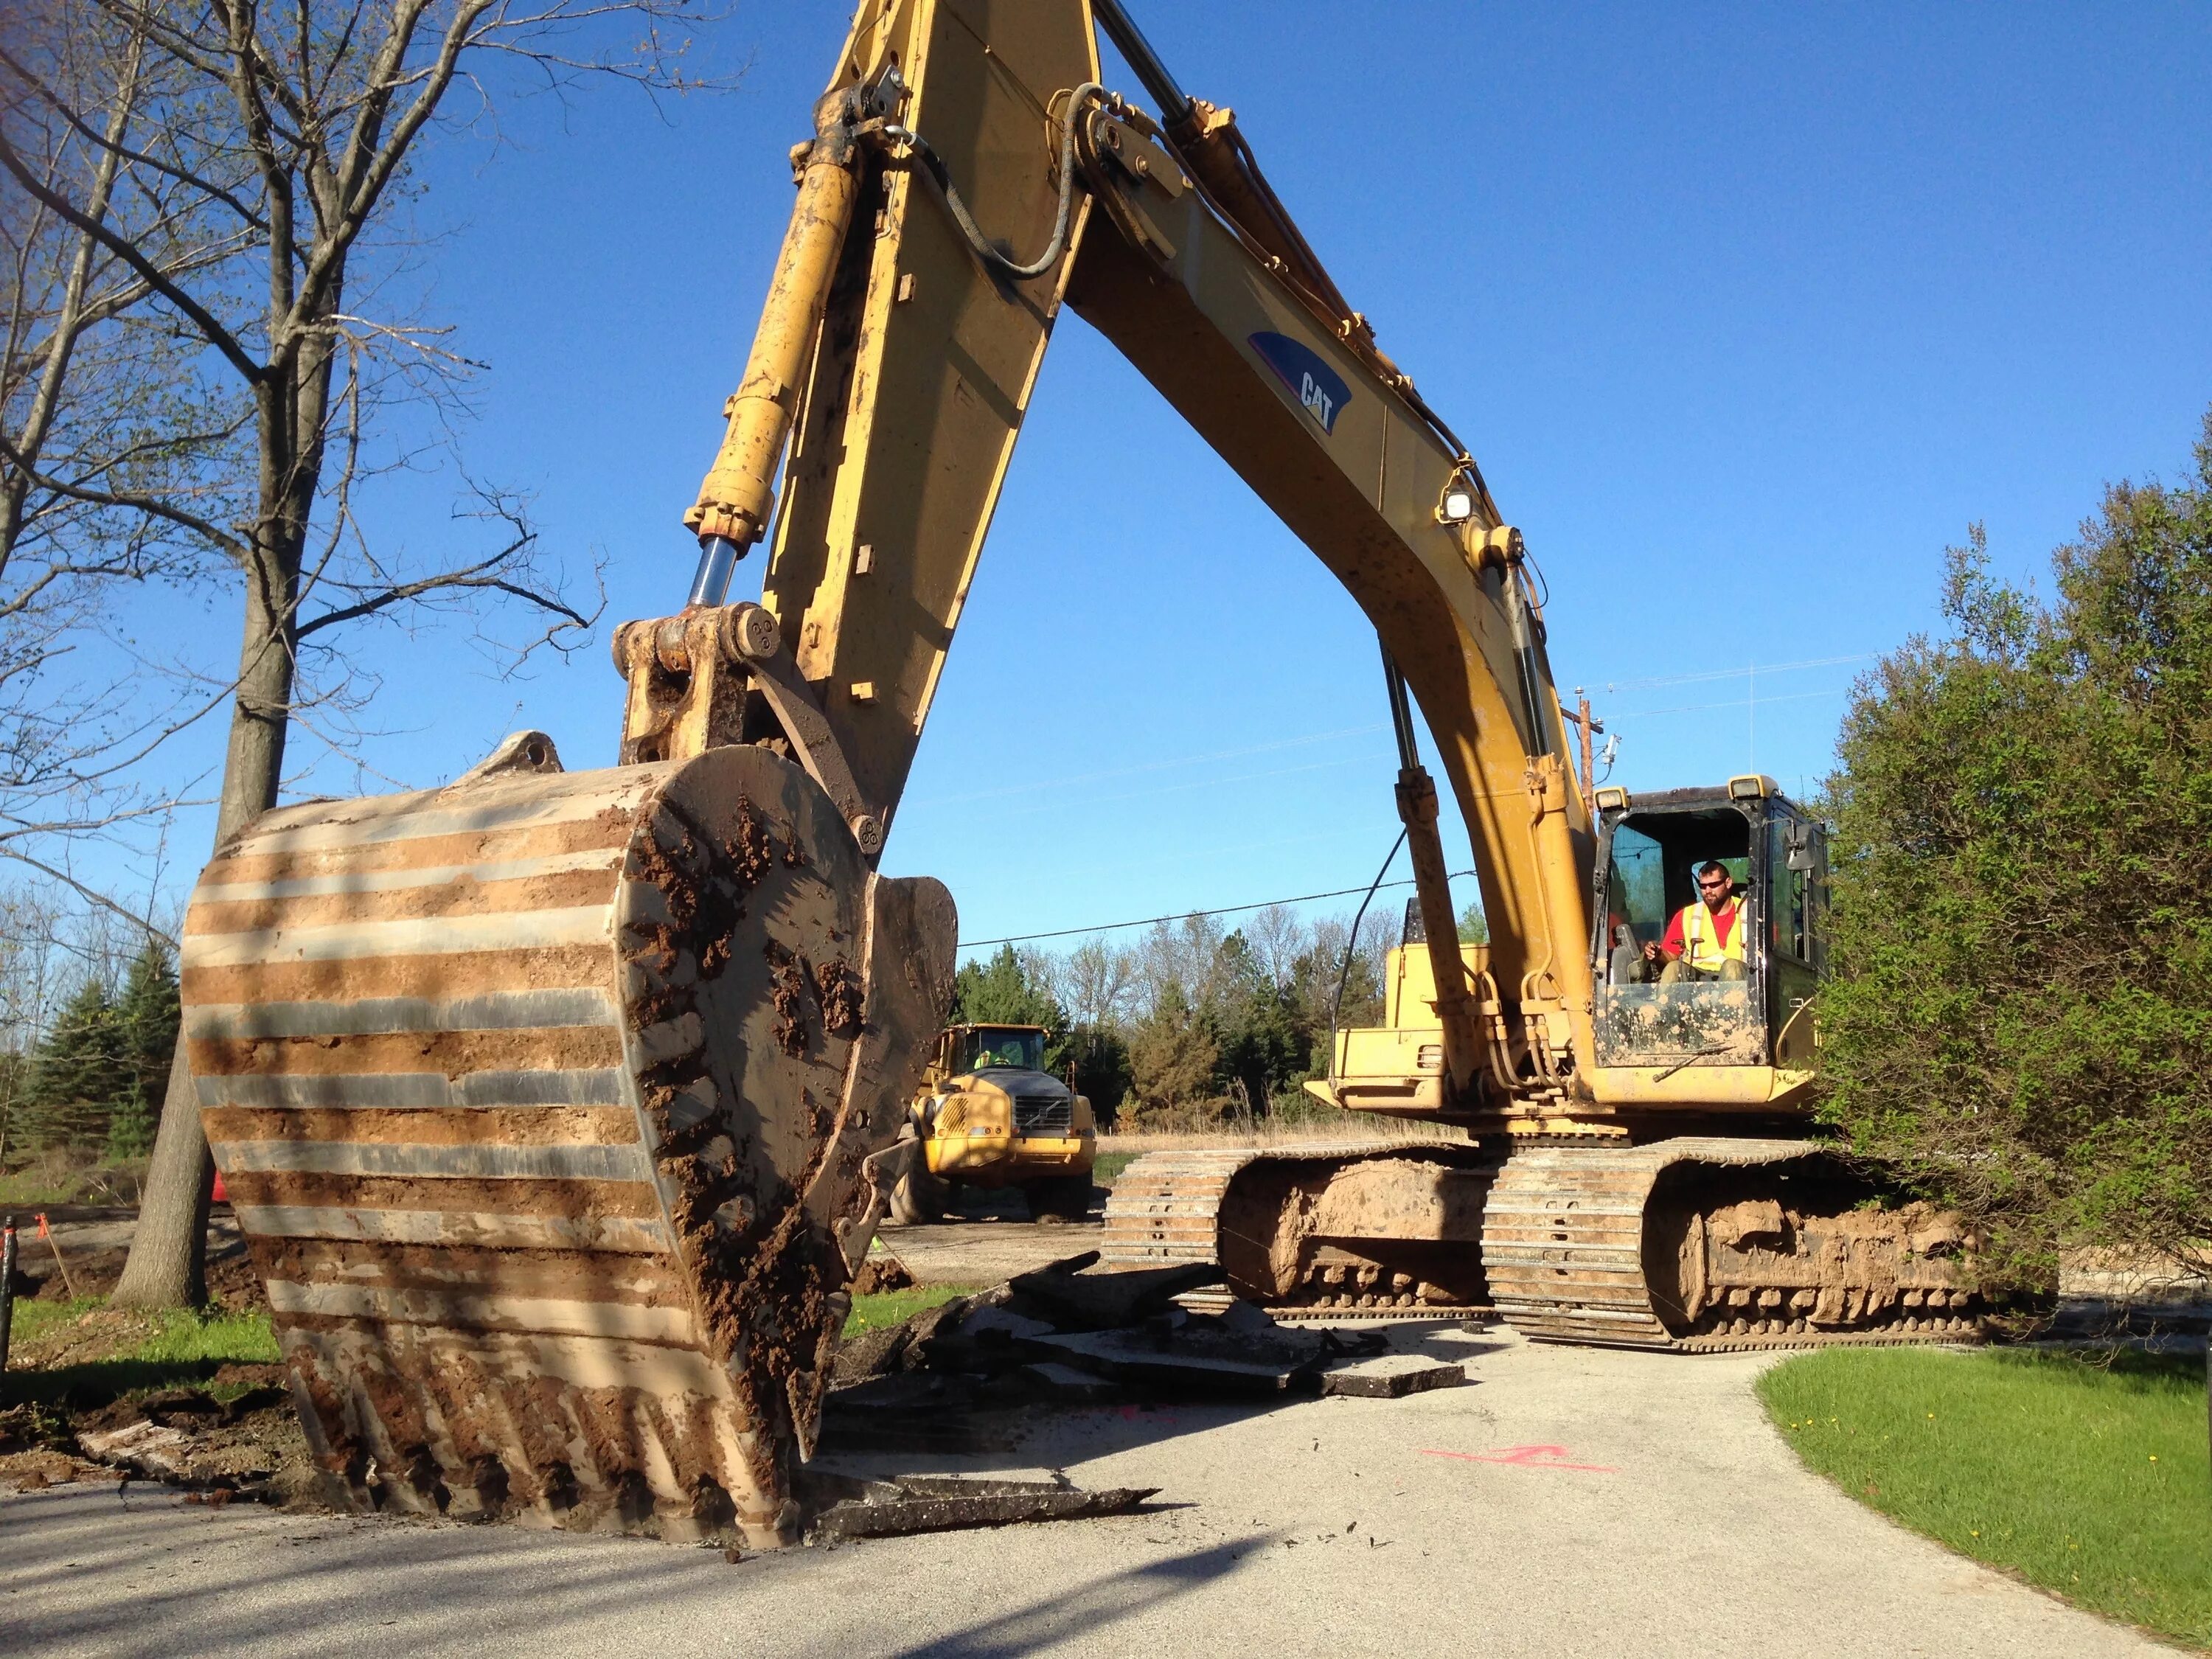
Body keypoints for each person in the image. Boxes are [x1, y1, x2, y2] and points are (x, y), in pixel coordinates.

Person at [1644, 859, 1750, 984]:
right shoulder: (1686, 915)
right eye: (1703, 886)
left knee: (1732, 967)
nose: (1708, 891)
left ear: (1728, 883)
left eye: (1714, 885)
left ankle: (1730, 1004)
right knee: (1673, 969)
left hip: (1740, 980)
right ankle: (1665, 1004)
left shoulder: (1752, 912)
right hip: (1697, 978)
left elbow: (1771, 956)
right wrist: (1657, 954)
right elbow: (1670, 957)